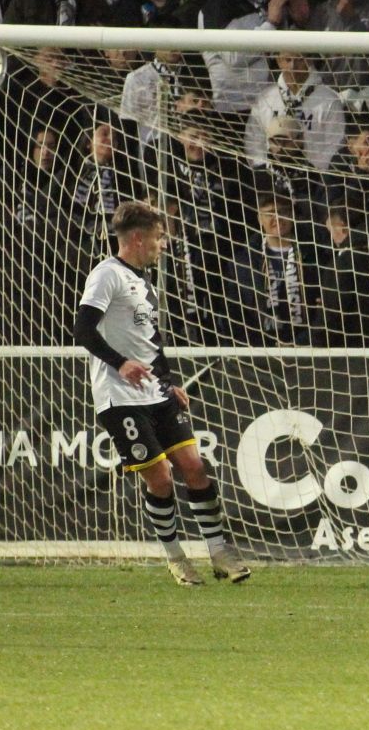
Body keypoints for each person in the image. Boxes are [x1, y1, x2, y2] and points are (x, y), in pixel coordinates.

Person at [73, 200, 249, 585]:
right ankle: (175, 557)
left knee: (195, 466)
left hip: (155, 391)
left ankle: (219, 552)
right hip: (120, 398)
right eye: (158, 237)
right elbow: (83, 330)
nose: (162, 244)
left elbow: (150, 341)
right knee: (162, 479)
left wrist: (169, 381)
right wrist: (120, 363)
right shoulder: (106, 276)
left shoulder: (142, 280)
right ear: (137, 238)